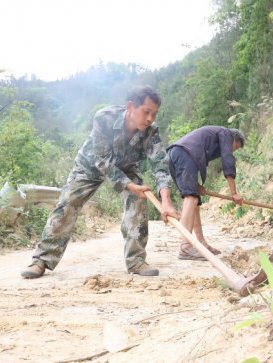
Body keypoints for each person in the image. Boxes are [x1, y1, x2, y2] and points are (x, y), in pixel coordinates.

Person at [21, 85, 178, 279]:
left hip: (126, 168)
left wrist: (166, 202)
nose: (150, 118)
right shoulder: (104, 117)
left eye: (154, 114)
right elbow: (102, 161)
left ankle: (136, 262)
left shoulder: (151, 132)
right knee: (67, 203)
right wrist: (130, 185)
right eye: (146, 112)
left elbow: (160, 165)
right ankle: (41, 260)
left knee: (138, 200)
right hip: (90, 166)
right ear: (130, 106)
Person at [167, 126, 245, 260]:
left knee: (194, 200)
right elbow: (228, 159)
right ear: (234, 139)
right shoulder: (226, 134)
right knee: (191, 198)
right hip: (184, 154)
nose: (232, 150)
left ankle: (201, 243)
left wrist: (196, 185)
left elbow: (196, 158)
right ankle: (186, 247)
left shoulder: (211, 139)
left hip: (175, 154)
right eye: (235, 147)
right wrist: (234, 193)